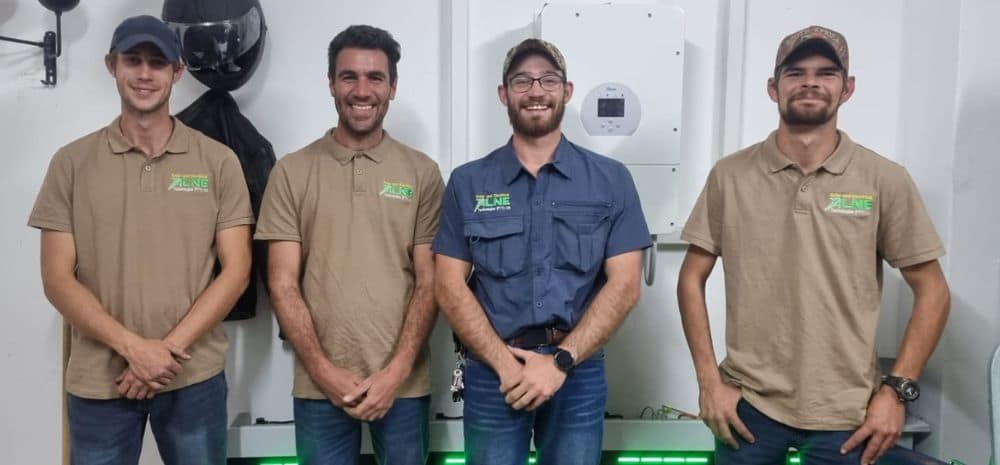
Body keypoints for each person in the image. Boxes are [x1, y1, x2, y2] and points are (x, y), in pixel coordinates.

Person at [677, 25, 951, 465]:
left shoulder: (884, 180)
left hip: (848, 412)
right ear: (773, 88)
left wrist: (897, 391)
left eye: (826, 73)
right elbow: (691, 278)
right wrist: (709, 381)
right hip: (748, 408)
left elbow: (933, 291)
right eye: (795, 73)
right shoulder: (731, 176)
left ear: (848, 88)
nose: (810, 82)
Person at [29, 15, 254, 465]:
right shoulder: (71, 164)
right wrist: (134, 350)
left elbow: (237, 270)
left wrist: (163, 354)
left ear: (178, 71)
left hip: (192, 376)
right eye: (133, 60)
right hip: (100, 381)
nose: (145, 74)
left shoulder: (218, 162)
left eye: (158, 62)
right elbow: (56, 278)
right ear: (111, 65)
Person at [432, 38, 652, 465]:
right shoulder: (468, 182)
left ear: (566, 91)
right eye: (522, 81)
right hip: (493, 373)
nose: (536, 91)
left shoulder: (611, 180)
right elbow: (448, 285)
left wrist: (560, 363)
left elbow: (625, 285)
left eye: (548, 80)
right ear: (504, 94)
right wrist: (505, 365)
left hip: (578, 372)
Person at [255, 24, 443, 465]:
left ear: (392, 86)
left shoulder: (422, 173)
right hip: (318, 385)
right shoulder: (292, 172)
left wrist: (396, 372)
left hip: (403, 386)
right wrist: (324, 371)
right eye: (349, 77)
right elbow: (282, 282)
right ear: (331, 83)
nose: (362, 90)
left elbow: (430, 280)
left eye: (375, 77)